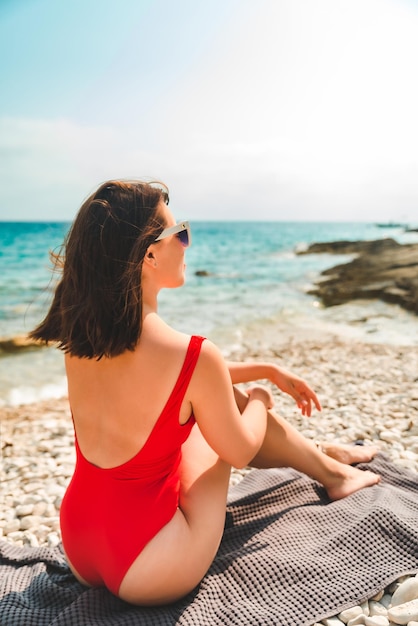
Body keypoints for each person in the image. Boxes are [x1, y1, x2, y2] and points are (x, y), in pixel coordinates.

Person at [29, 180, 380, 606]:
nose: (186, 244)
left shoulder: (81, 340)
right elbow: (240, 450)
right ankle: (334, 473)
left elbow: (178, 382)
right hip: (151, 566)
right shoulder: (192, 353)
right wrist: (259, 400)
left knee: (207, 400)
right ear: (150, 254)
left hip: (80, 545)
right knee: (226, 411)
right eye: (180, 233)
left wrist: (266, 368)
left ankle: (325, 458)